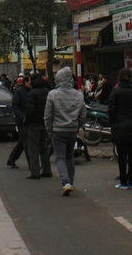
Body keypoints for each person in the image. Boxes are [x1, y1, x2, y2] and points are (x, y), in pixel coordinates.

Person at [44, 66, 86, 196]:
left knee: (60, 158)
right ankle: (71, 182)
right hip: (72, 130)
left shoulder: (52, 94)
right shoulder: (79, 94)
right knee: (69, 157)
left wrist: (49, 130)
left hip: (57, 130)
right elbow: (83, 114)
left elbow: (48, 115)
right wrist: (78, 125)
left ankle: (66, 182)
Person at [108, 67, 132, 189]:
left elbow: (111, 109)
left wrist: (112, 121)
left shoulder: (116, 91)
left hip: (119, 126)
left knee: (122, 155)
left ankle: (123, 181)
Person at [25, 72, 52, 179]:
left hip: (34, 124)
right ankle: (47, 170)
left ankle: (35, 171)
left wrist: (27, 119)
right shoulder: (47, 92)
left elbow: (30, 110)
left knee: (34, 148)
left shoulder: (32, 93)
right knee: (44, 147)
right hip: (45, 122)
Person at [7, 76, 31, 169]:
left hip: (29, 120)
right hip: (22, 121)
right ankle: (31, 164)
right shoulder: (19, 92)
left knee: (23, 142)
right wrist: (21, 117)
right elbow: (15, 106)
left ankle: (12, 159)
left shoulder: (31, 91)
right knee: (26, 142)